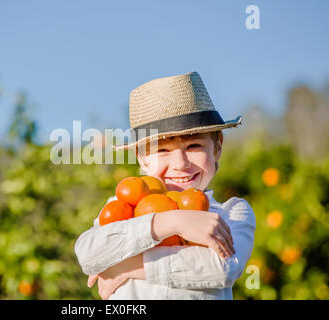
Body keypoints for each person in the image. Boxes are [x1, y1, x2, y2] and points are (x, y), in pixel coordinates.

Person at [74, 72, 256, 300]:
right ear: (142, 157)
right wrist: (171, 221)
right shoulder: (125, 207)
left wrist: (126, 268)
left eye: (193, 146)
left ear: (217, 146)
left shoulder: (231, 212)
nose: (180, 163)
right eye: (163, 150)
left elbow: (223, 267)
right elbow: (88, 252)